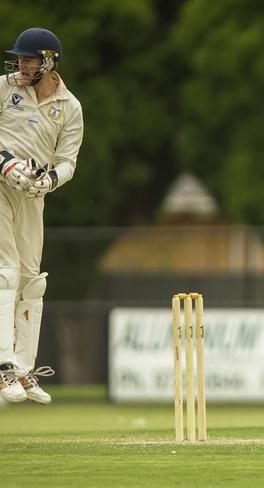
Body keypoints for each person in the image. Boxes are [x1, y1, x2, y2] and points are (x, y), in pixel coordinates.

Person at [0, 28, 83, 404]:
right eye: (20, 58)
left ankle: (22, 369)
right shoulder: (5, 87)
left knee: (32, 281)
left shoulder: (69, 107)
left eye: (29, 59)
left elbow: (67, 163)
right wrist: (5, 165)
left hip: (32, 196)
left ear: (48, 62)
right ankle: (3, 368)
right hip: (0, 186)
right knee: (6, 273)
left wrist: (48, 181)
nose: (22, 64)